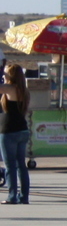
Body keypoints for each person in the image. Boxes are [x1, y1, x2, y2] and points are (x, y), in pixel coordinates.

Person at [2, 64, 30, 205]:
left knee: (10, 165)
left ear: (11, 75)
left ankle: (12, 196)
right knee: (21, 165)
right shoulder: (24, 91)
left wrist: (3, 73)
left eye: (6, 73)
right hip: (23, 130)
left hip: (9, 130)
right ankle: (24, 196)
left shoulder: (10, 88)